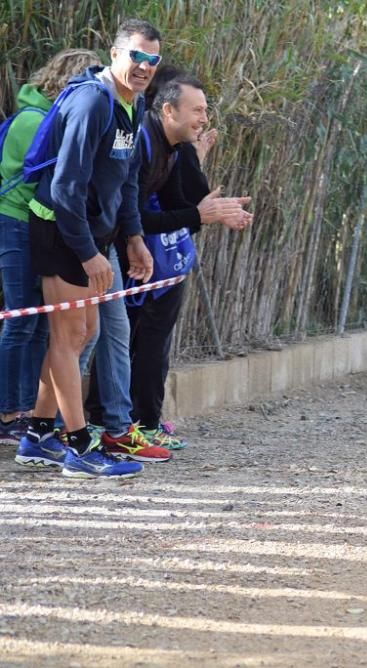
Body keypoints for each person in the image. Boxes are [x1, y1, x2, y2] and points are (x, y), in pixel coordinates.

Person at [16, 19, 159, 478]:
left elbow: (128, 179)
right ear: (116, 53)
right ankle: (77, 446)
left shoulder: (131, 105)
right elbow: (65, 188)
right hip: (60, 231)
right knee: (69, 336)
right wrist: (87, 252)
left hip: (93, 236)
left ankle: (38, 435)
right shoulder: (92, 101)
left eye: (152, 60)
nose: (144, 67)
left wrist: (133, 238)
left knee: (84, 333)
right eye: (136, 56)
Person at [87, 71, 251, 449]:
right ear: (167, 109)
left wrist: (208, 206)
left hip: (148, 257)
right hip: (113, 253)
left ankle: (130, 422)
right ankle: (100, 423)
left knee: (137, 341)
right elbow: (135, 215)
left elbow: (186, 205)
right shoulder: (140, 142)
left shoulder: (175, 149)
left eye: (206, 110)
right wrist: (199, 215)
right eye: (198, 110)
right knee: (106, 339)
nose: (205, 118)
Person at [0, 49, 101, 448]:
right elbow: (45, 177)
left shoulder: (55, 118)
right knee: (22, 317)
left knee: (43, 322)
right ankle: (10, 412)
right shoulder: (33, 120)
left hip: (40, 225)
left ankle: (33, 411)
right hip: (16, 222)